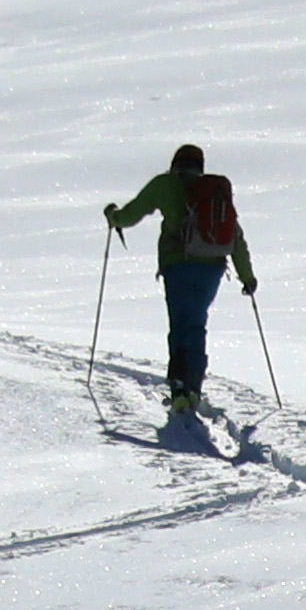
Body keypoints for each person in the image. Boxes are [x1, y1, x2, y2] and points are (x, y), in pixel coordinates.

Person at [98, 143, 260, 420]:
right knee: (196, 323)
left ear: (175, 164)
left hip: (179, 264)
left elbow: (131, 214)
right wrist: (247, 276)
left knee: (180, 325)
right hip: (212, 269)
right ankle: (193, 385)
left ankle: (180, 390)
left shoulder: (166, 185)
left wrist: (113, 217)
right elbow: (236, 235)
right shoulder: (215, 192)